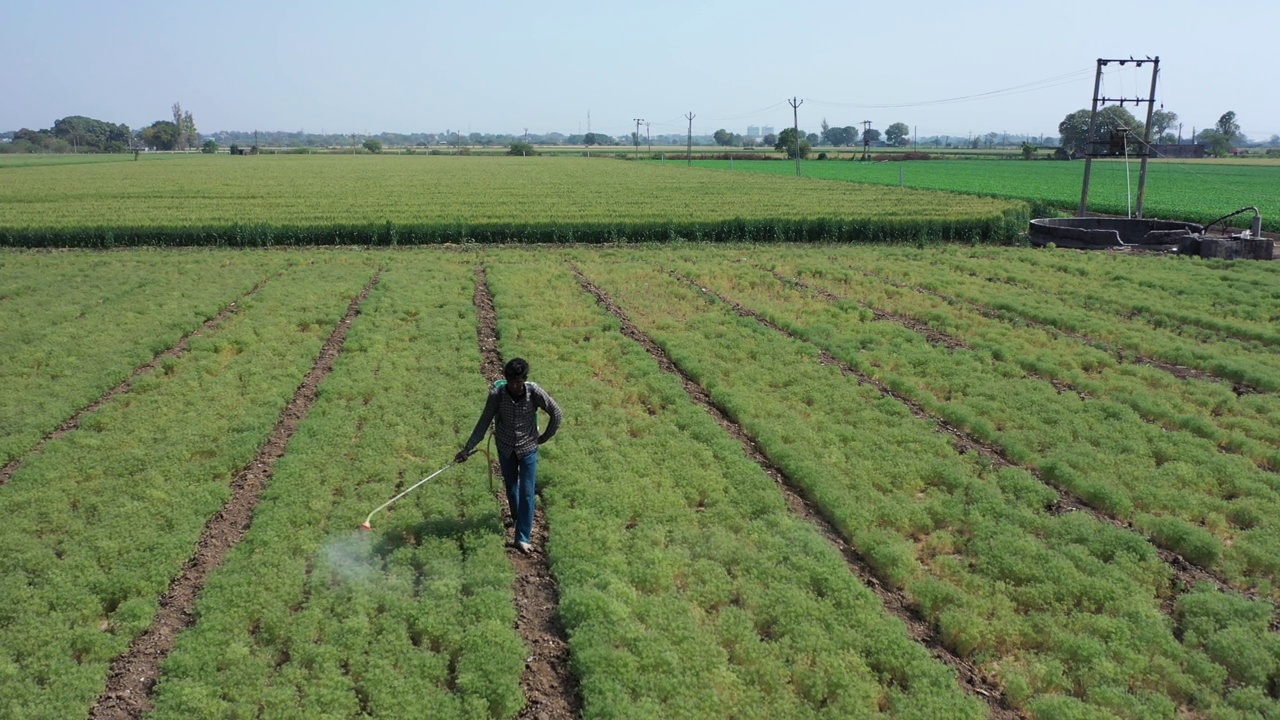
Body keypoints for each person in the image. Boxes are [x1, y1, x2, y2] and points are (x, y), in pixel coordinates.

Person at [456, 358, 562, 554]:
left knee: (527, 491)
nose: (515, 386)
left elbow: (556, 412)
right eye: (511, 381)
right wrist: (467, 449)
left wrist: (545, 436)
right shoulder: (498, 395)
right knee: (511, 487)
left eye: (518, 382)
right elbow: (483, 422)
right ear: (506, 379)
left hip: (528, 446)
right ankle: (516, 517)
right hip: (505, 446)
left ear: (524, 380)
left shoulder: (534, 393)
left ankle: (522, 537)